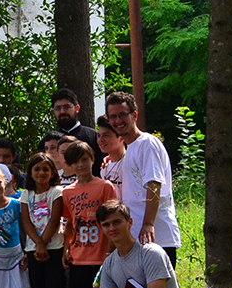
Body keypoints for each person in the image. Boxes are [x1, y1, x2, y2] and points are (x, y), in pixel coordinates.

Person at [105, 92, 182, 265]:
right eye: (113, 117)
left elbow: (154, 184)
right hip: (138, 239)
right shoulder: (131, 148)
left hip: (157, 238)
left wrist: (148, 223)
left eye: (123, 115)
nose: (118, 121)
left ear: (135, 115)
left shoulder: (147, 143)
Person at [61, 141, 118, 288]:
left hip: (102, 257)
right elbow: (69, 223)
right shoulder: (67, 192)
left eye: (84, 159)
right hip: (79, 257)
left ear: (93, 159)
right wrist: (66, 249)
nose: (81, 165)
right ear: (70, 165)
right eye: (75, 162)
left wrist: (111, 252)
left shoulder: (104, 187)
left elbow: (114, 220)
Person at [19, 153, 65, 288]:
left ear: (53, 173)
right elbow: (26, 221)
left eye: (46, 169)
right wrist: (38, 245)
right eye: (37, 169)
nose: (41, 173)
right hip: (34, 251)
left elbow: (54, 220)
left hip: (53, 249)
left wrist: (43, 244)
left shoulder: (56, 192)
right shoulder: (26, 194)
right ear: (30, 173)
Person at [53, 88, 103, 177]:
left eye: (67, 107)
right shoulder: (51, 141)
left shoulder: (94, 137)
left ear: (77, 108)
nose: (62, 111)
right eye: (58, 108)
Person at [97, 115, 125, 199]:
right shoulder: (104, 168)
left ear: (121, 137)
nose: (100, 140)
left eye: (106, 135)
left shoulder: (130, 162)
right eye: (98, 135)